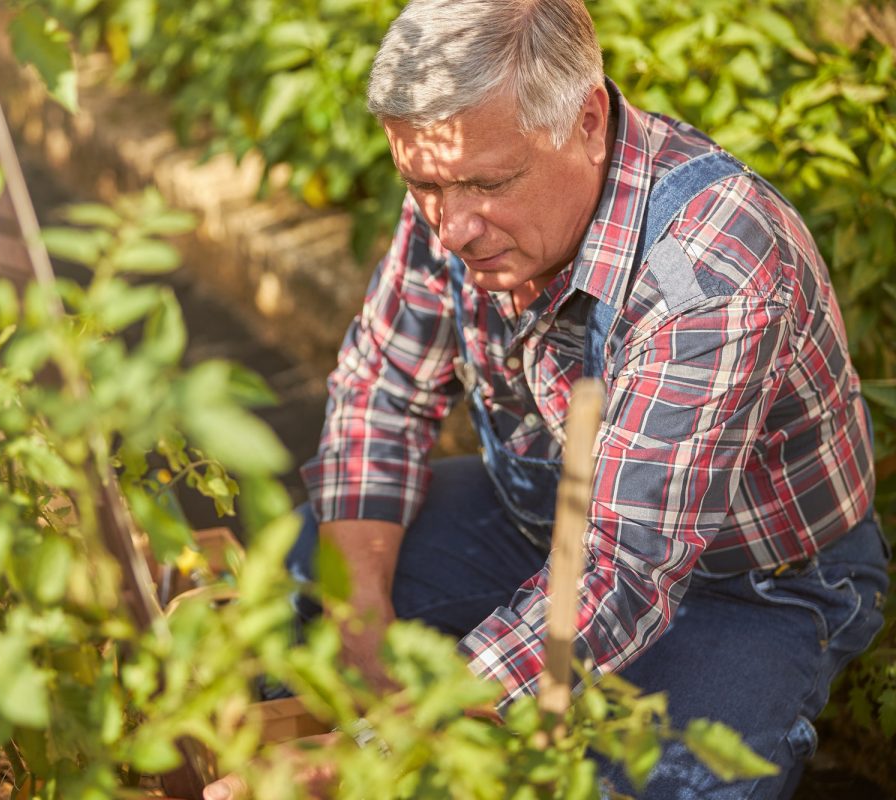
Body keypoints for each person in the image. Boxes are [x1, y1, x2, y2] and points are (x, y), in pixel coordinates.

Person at [206, 0, 890, 797]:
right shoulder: (458, 177)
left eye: (487, 183)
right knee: (305, 569)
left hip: (739, 584)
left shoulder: (709, 273)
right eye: (423, 183)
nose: (452, 227)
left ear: (588, 119)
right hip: (540, 523)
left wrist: (376, 751)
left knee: (665, 780)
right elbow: (380, 395)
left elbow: (620, 573)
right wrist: (362, 630)